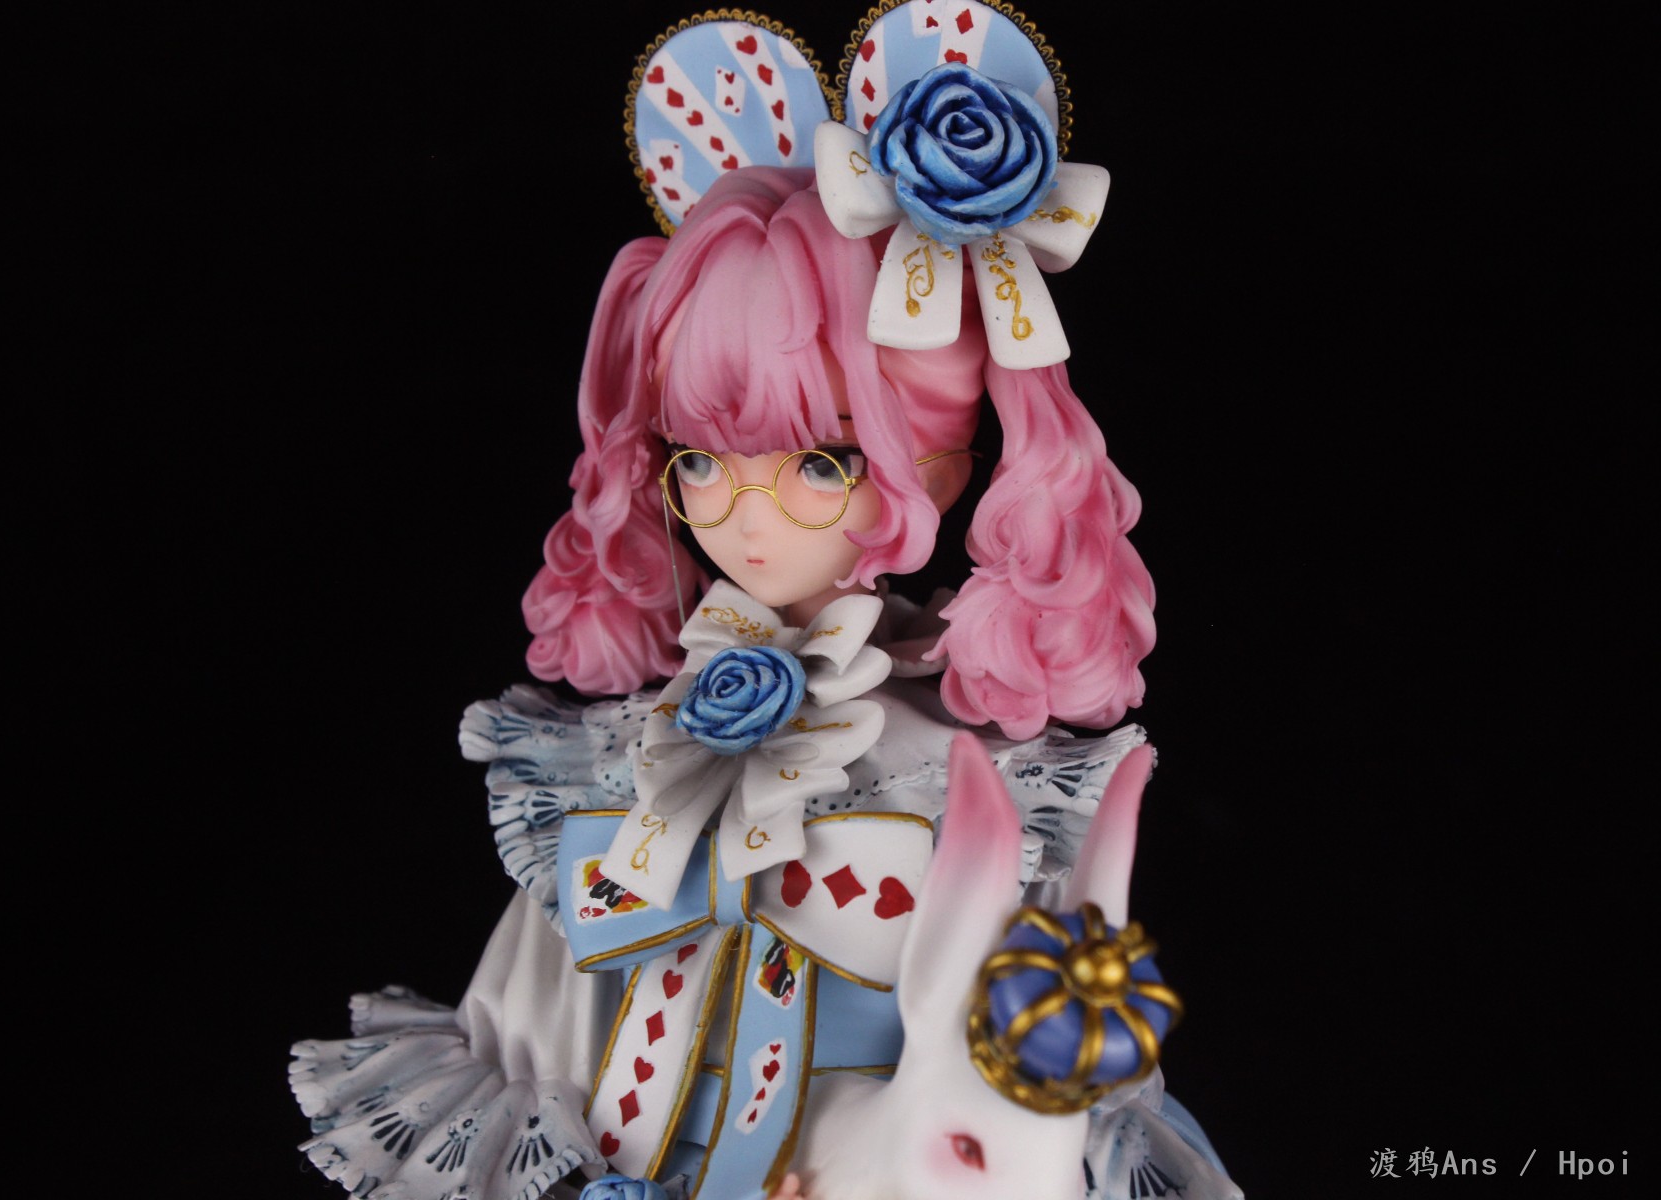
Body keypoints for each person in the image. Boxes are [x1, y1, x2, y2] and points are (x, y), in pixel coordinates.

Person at [292, 8, 1233, 1197]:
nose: (746, 517)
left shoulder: (969, 777)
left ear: (943, 464)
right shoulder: (622, 750)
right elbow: (536, 1005)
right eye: (697, 460)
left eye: (820, 463)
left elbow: (1018, 1088)